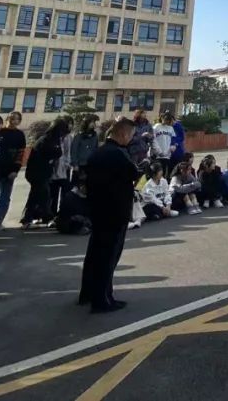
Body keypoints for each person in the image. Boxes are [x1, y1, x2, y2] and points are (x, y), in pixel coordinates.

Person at [80, 117, 140, 313]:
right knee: (108, 257)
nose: (130, 139)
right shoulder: (118, 154)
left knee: (94, 254)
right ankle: (102, 299)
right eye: (130, 135)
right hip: (115, 212)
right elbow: (134, 174)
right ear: (123, 134)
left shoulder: (98, 152)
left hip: (98, 210)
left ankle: (88, 293)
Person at [21, 120, 65, 228]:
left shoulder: (53, 140)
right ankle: (45, 217)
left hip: (42, 172)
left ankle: (28, 219)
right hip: (37, 173)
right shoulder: (45, 140)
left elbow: (58, 153)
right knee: (43, 195)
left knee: (36, 196)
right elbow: (53, 153)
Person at [0, 112, 26, 226]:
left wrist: (15, 170)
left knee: (4, 197)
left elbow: (20, 154)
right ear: (7, 119)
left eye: (17, 119)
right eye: (12, 119)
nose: (14, 121)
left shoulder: (19, 135)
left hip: (10, 170)